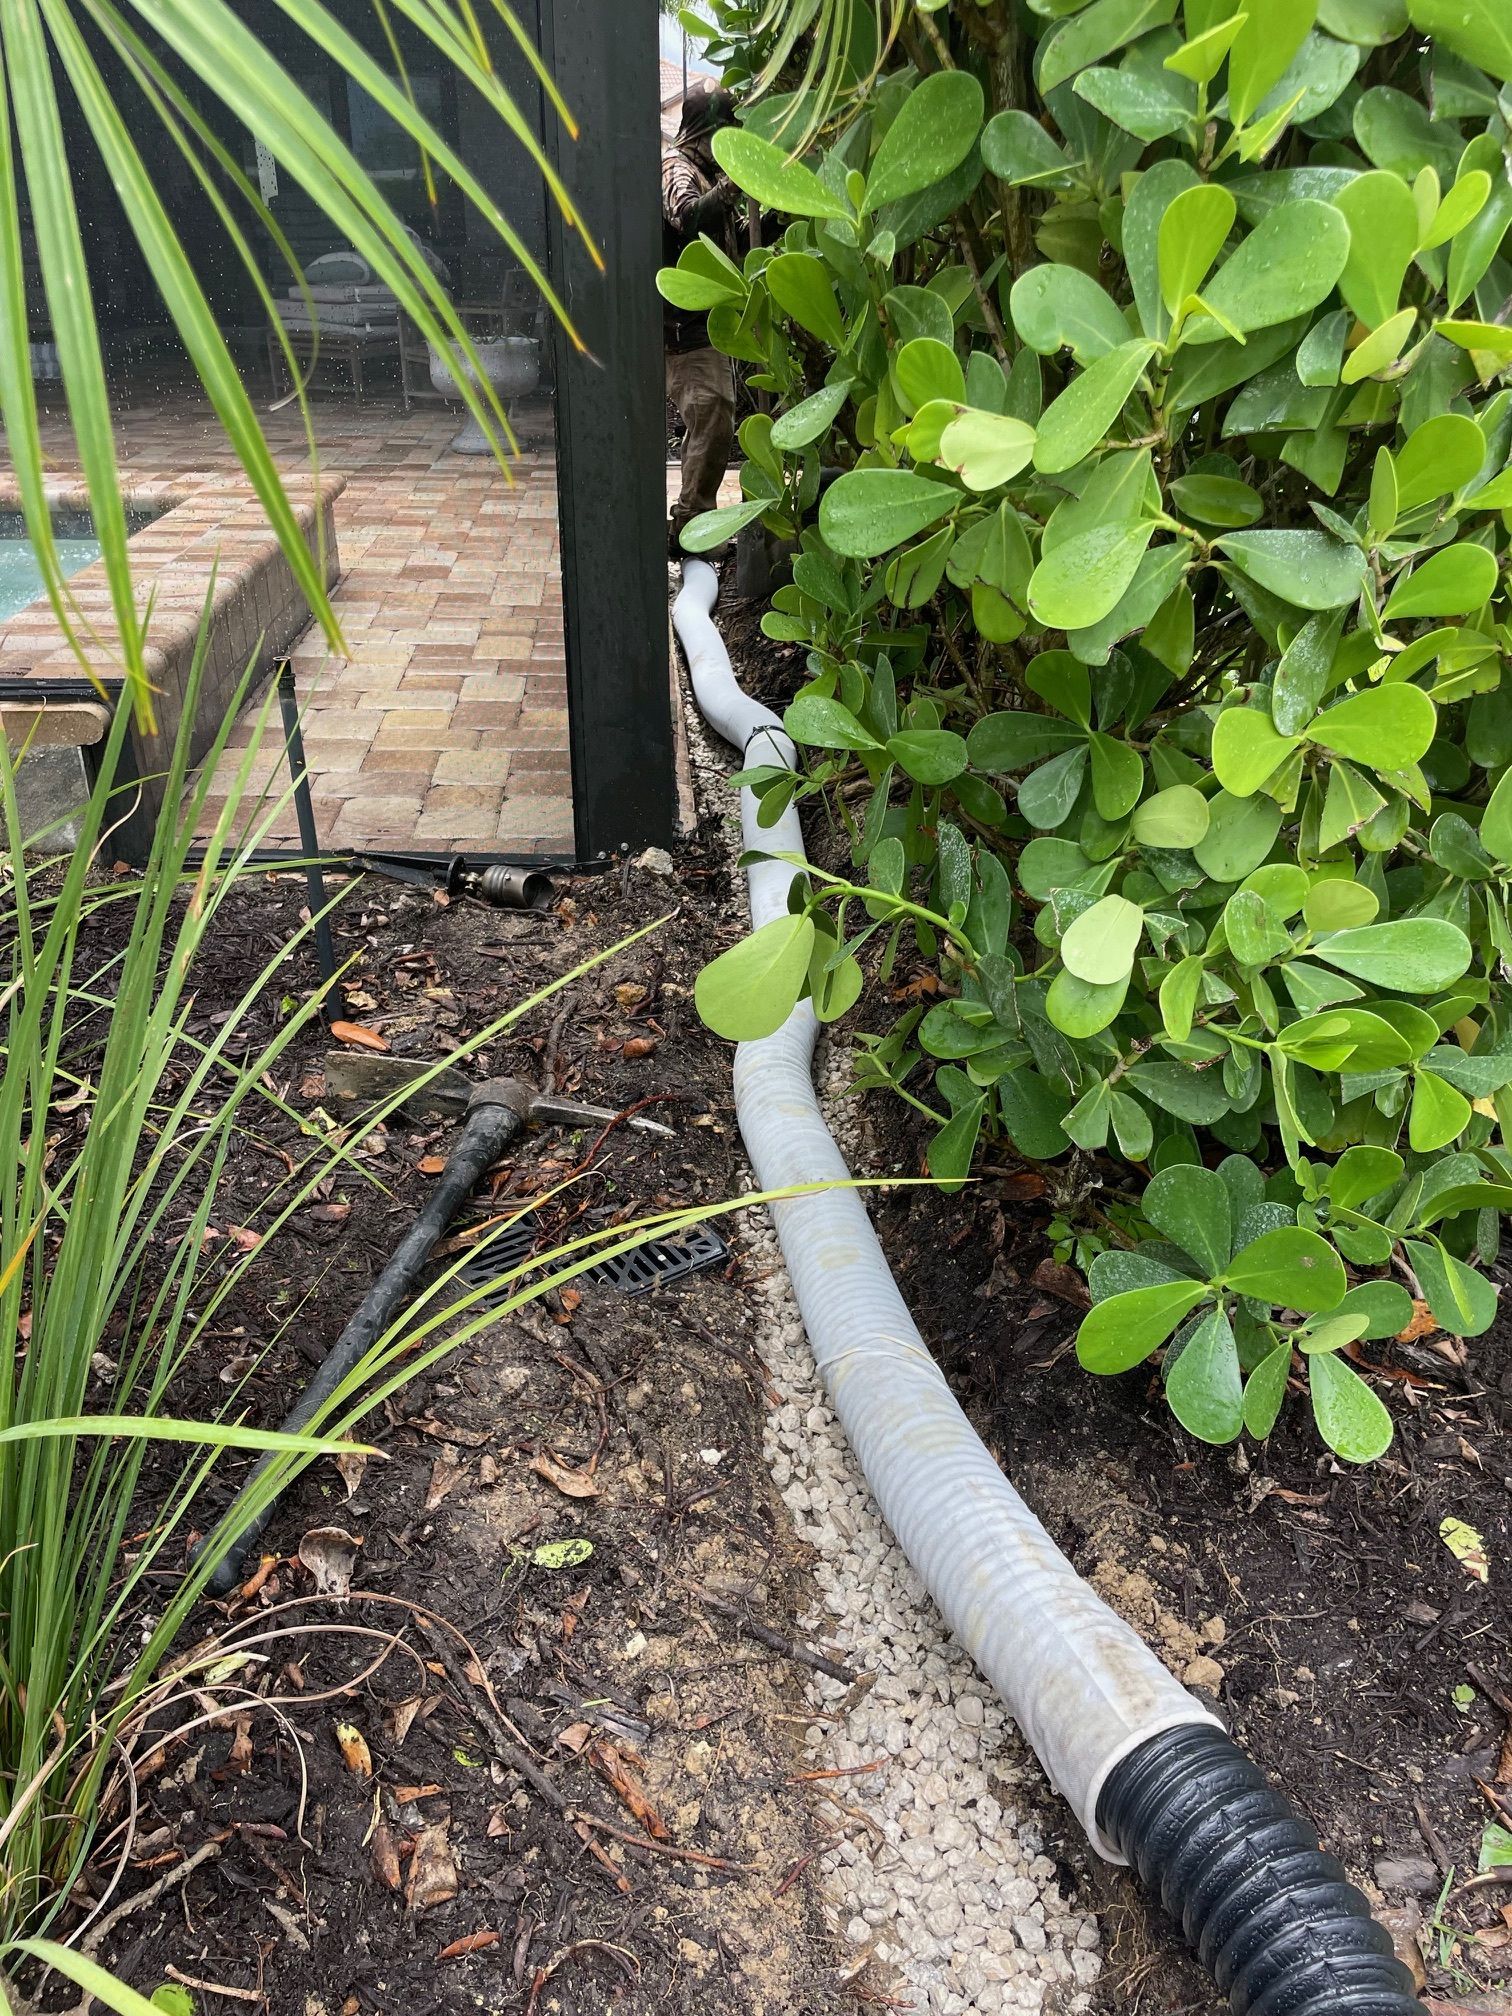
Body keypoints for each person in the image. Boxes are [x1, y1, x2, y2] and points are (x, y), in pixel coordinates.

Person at [663, 84, 741, 552]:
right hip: (686, 329)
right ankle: (691, 529)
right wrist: (735, 186)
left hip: (706, 325)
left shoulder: (705, 171)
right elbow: (688, 218)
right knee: (711, 422)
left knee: (713, 422)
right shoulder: (677, 167)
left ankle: (693, 527)